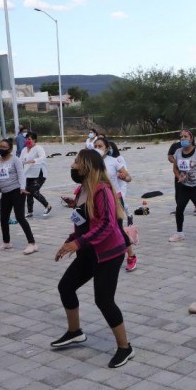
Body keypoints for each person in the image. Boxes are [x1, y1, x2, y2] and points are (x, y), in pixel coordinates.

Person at [52, 150, 134, 368]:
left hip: (108, 254)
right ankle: (74, 332)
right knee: (66, 287)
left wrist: (77, 243)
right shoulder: (82, 190)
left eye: (76, 162)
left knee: (104, 300)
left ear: (87, 166)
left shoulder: (103, 190)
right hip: (89, 251)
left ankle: (125, 348)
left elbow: (107, 224)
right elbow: (81, 223)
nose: (73, 165)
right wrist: (69, 241)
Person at [0, 138, 38, 255]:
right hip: (5, 193)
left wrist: (22, 187)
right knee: (3, 218)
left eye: (4, 147)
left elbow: (21, 175)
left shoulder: (15, 160)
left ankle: (32, 243)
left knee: (20, 217)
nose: (1, 149)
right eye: (0, 146)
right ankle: (6, 242)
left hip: (17, 191)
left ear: (10, 149)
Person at [94, 137, 138, 272]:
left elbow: (128, 177)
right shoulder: (92, 162)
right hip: (99, 198)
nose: (97, 148)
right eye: (95, 146)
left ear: (107, 148)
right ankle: (104, 255)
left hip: (115, 198)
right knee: (99, 227)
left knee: (118, 228)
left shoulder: (114, 162)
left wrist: (125, 177)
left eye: (100, 146)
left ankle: (131, 256)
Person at [19, 132, 53, 218]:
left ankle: (47, 206)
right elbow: (20, 160)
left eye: (29, 139)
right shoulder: (24, 150)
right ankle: (30, 211)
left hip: (39, 174)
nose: (27, 140)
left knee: (34, 191)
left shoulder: (38, 148)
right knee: (28, 192)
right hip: (28, 174)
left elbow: (43, 157)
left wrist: (34, 160)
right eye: (26, 139)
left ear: (34, 140)